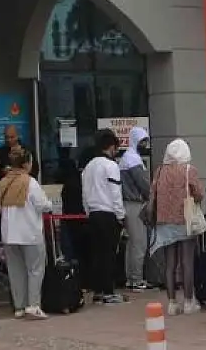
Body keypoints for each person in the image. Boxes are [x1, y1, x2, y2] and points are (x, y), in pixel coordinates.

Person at [148, 138, 205, 316]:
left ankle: (172, 303)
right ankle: (188, 301)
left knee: (170, 263)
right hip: (184, 219)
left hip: (164, 221)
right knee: (187, 262)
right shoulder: (189, 170)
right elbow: (199, 194)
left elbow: (152, 194)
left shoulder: (159, 171)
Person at [0, 146, 52, 320]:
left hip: (9, 234)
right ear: (26, 163)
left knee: (16, 271)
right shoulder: (30, 182)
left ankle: (19, 307)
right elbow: (43, 205)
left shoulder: (3, 182)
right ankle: (34, 305)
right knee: (35, 269)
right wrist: (50, 204)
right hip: (29, 233)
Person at [82, 129, 127, 304]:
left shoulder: (88, 167)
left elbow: (85, 194)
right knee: (109, 254)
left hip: (93, 214)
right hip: (108, 214)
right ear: (111, 147)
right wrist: (121, 216)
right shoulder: (111, 166)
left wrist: (88, 211)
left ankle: (98, 291)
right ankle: (109, 291)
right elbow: (115, 193)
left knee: (97, 254)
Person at [119, 126, 152, 292]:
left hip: (128, 204)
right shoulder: (133, 160)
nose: (145, 144)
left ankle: (131, 278)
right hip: (134, 204)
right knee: (139, 243)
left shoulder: (127, 158)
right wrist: (152, 196)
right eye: (143, 141)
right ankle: (137, 279)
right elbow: (144, 185)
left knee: (132, 244)